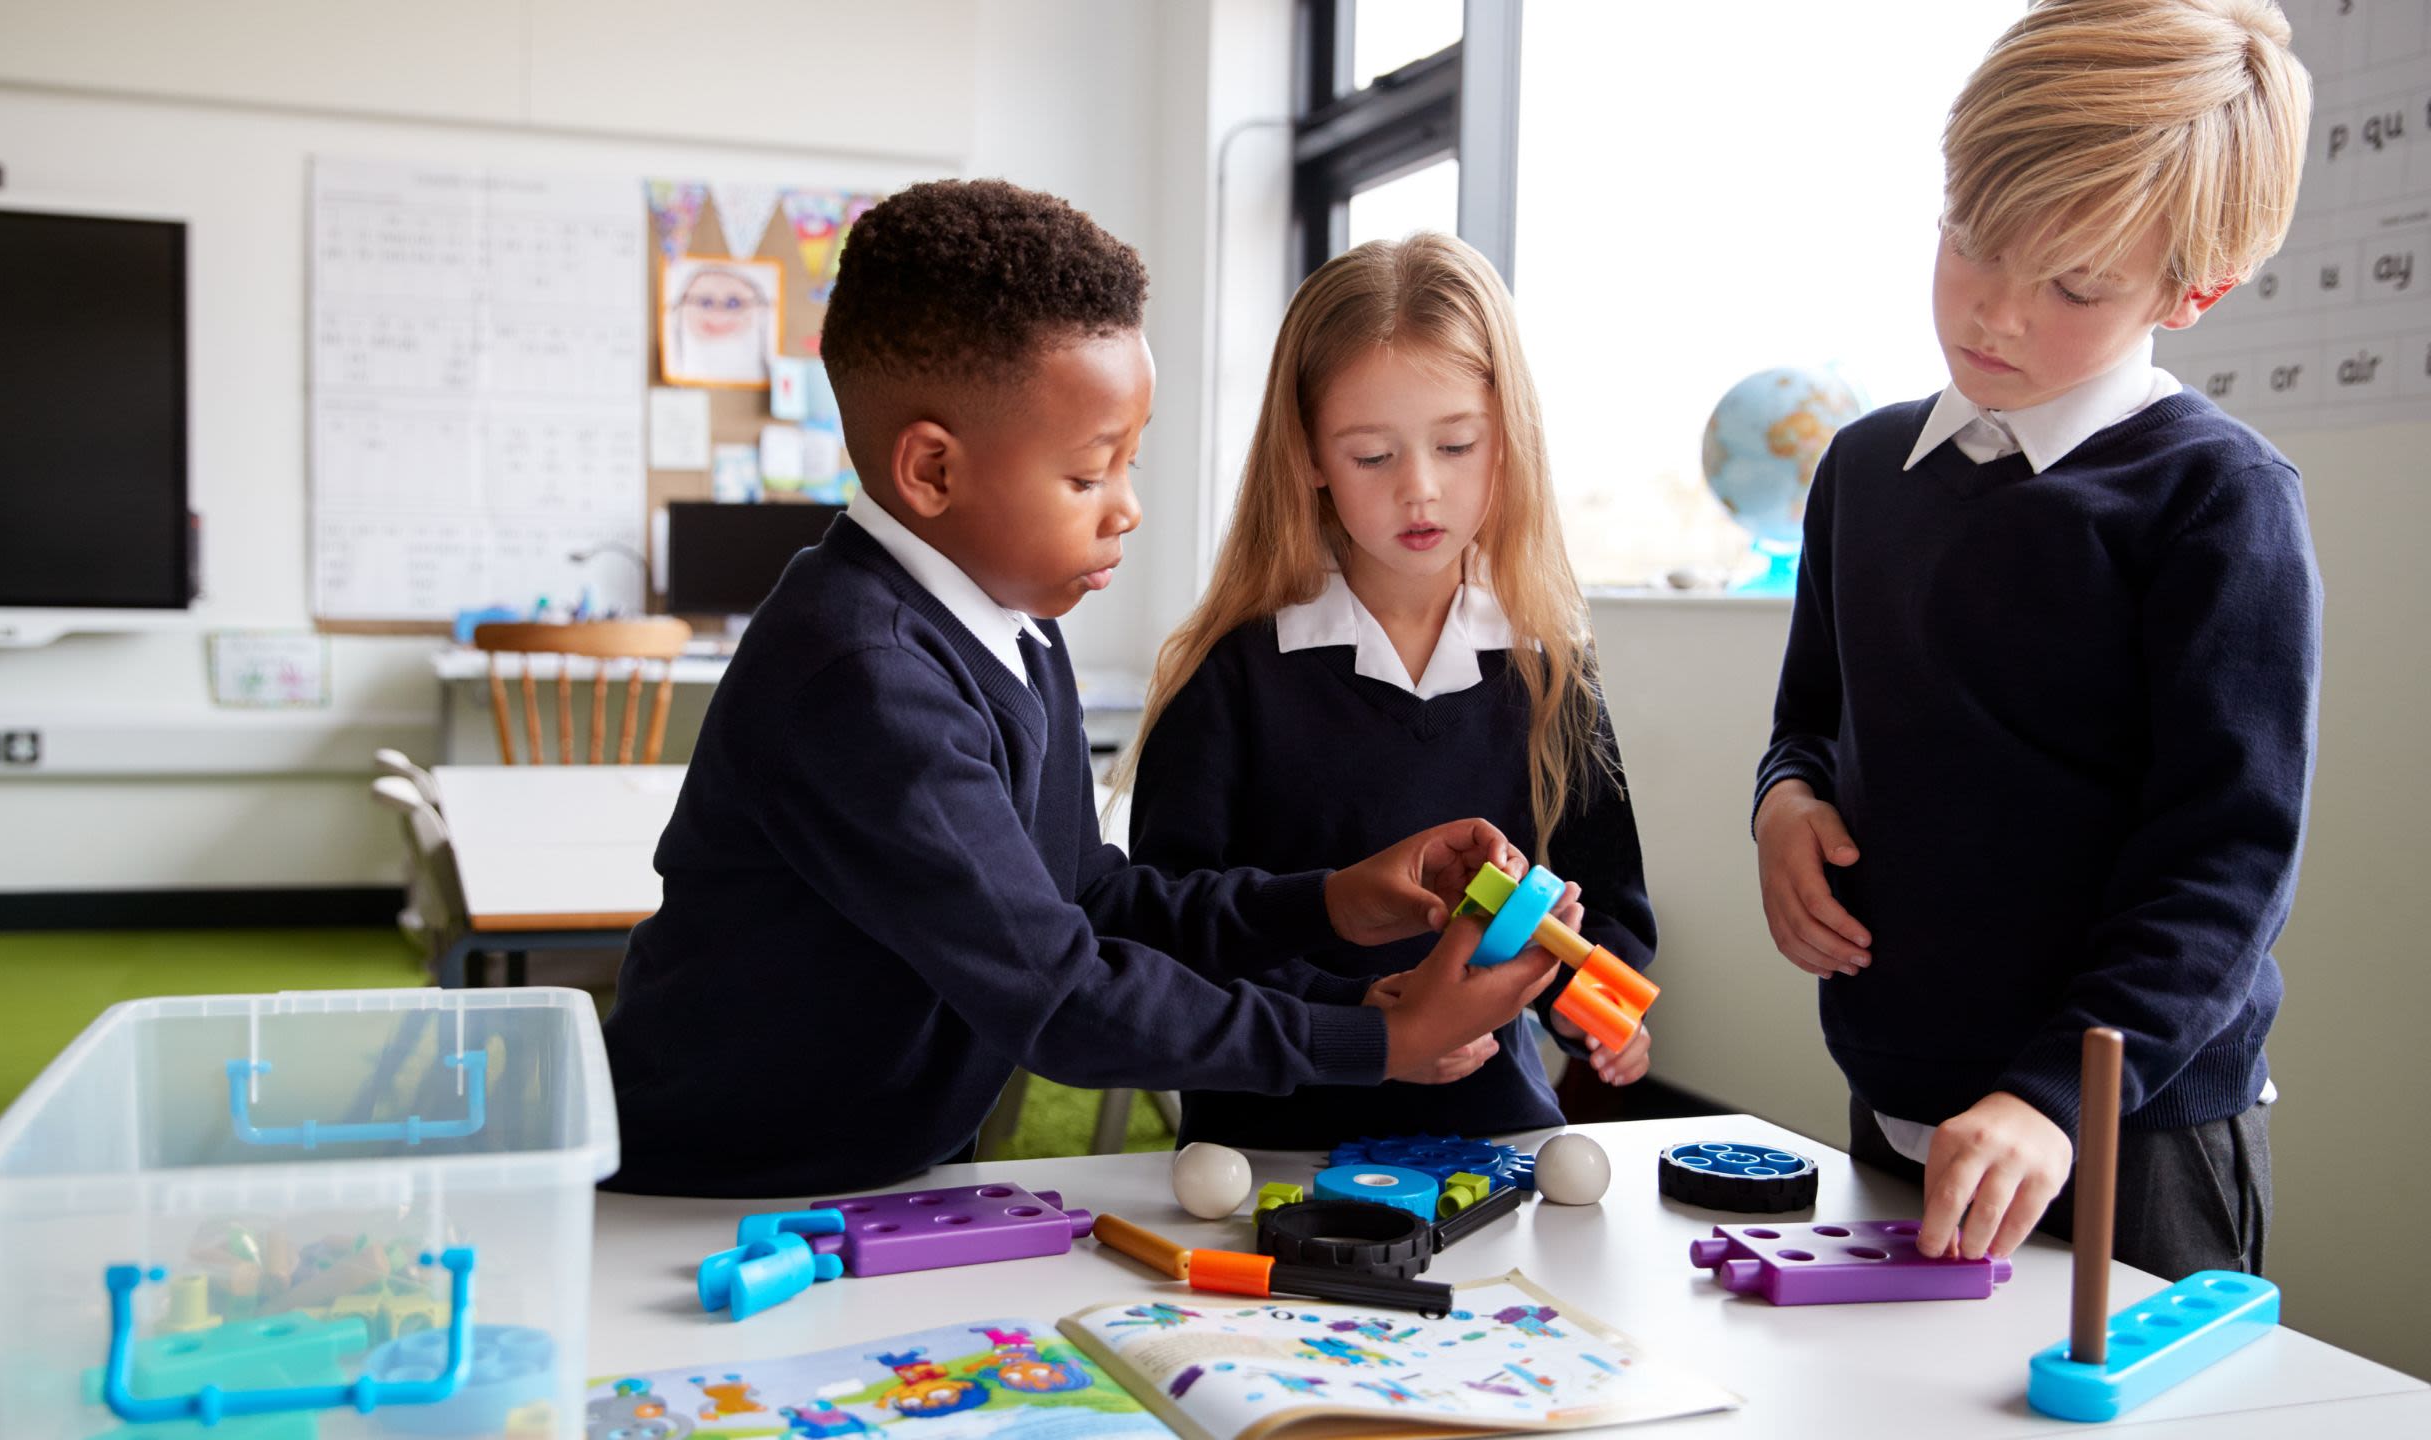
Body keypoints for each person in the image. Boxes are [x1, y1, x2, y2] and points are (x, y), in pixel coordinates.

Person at [603, 180, 1559, 1198]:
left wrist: (1333, 901)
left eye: (1130, 464)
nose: (1128, 510)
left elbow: (1090, 900)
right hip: (715, 1185)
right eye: (1089, 475)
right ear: (932, 470)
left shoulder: (1015, 629)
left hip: (879, 1164)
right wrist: (1372, 1040)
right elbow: (1057, 993)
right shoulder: (864, 679)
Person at [1752, 0, 2316, 1278]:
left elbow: (2226, 859)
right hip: (1901, 1097)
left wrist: (2056, 1094)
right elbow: (1808, 723)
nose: (1994, 314)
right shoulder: (1862, 469)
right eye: (1971, 244)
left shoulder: (2217, 500)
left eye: (2072, 286)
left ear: (2194, 289)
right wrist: (1782, 805)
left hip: (2126, 1129)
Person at [1120, 232, 1655, 1150]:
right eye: (1373, 456)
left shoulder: (1549, 669)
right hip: (1274, 1130)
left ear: (1507, 440)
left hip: (1490, 1131)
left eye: (1456, 445)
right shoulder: (1232, 675)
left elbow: (1603, 905)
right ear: (1310, 457)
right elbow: (1174, 928)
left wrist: (1591, 1005)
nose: (1421, 491)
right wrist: (1362, 1017)